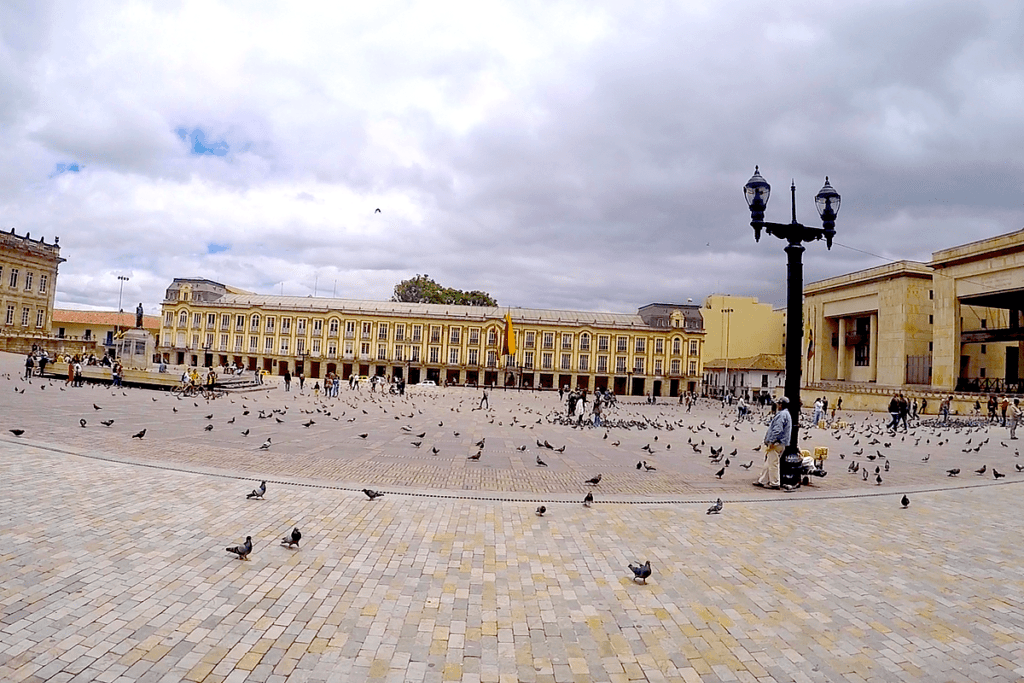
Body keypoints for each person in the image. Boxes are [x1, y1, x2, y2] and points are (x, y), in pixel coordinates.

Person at [755, 396, 791, 490]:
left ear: (781, 405)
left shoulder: (782, 415)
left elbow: (777, 429)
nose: (777, 405)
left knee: (773, 463)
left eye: (778, 404)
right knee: (769, 462)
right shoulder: (786, 414)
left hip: (776, 443)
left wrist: (771, 441)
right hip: (780, 443)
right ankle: (762, 480)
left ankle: (775, 483)